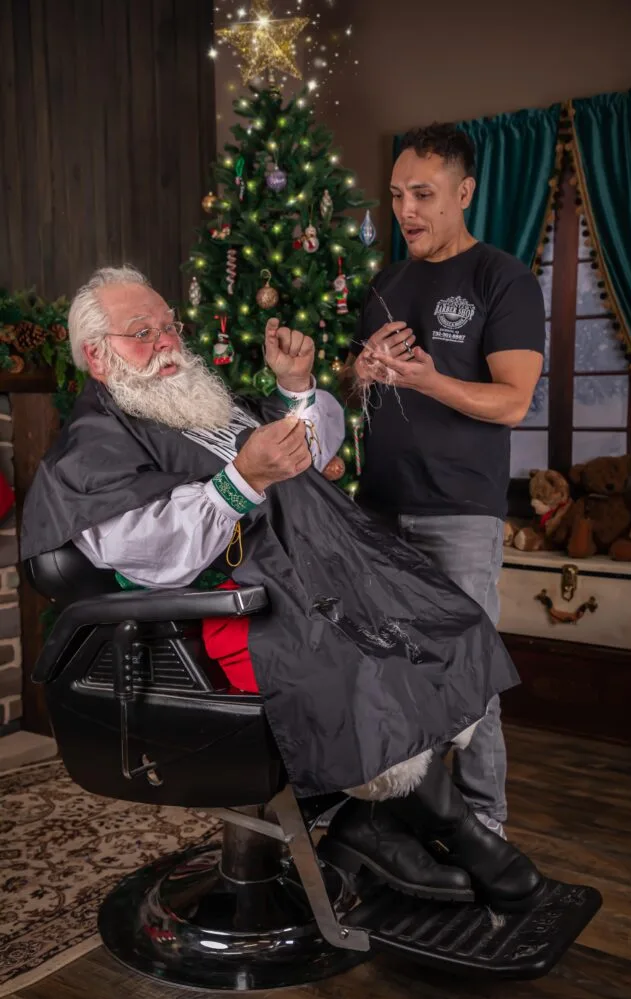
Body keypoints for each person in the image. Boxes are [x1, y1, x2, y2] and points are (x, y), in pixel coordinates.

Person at [21, 265, 544, 912]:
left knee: (442, 618)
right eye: (142, 332)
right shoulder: (92, 444)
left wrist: (295, 387)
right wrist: (239, 480)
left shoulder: (199, 405)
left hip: (305, 578)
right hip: (216, 613)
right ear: (98, 356)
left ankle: (369, 827)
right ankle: (457, 832)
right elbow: (147, 549)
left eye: (168, 326)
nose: (166, 342)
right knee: (364, 658)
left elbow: (302, 454)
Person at [340, 123, 545, 839]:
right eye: (398, 194)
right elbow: (354, 389)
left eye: (423, 194)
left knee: (468, 671)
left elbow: (512, 402)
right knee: (387, 668)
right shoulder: (386, 284)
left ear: (464, 193)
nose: (406, 210)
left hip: (460, 511)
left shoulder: (503, 279)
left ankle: (485, 823)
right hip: (378, 508)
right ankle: (405, 816)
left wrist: (428, 380)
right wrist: (361, 371)